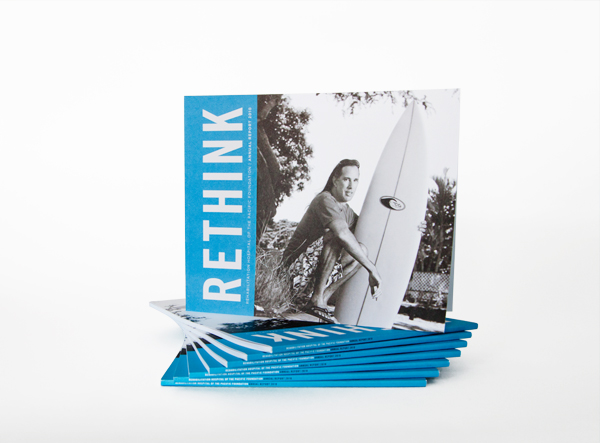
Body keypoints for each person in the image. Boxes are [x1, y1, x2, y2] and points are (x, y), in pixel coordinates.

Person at [282, 159, 382, 318]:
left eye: (355, 180)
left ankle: (321, 299)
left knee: (361, 250)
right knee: (338, 236)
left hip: (307, 280)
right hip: (290, 273)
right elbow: (341, 233)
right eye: (346, 179)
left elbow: (373, 230)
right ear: (335, 181)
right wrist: (372, 269)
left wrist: (416, 227)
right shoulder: (325, 199)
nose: (351, 186)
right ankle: (316, 300)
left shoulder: (347, 212)